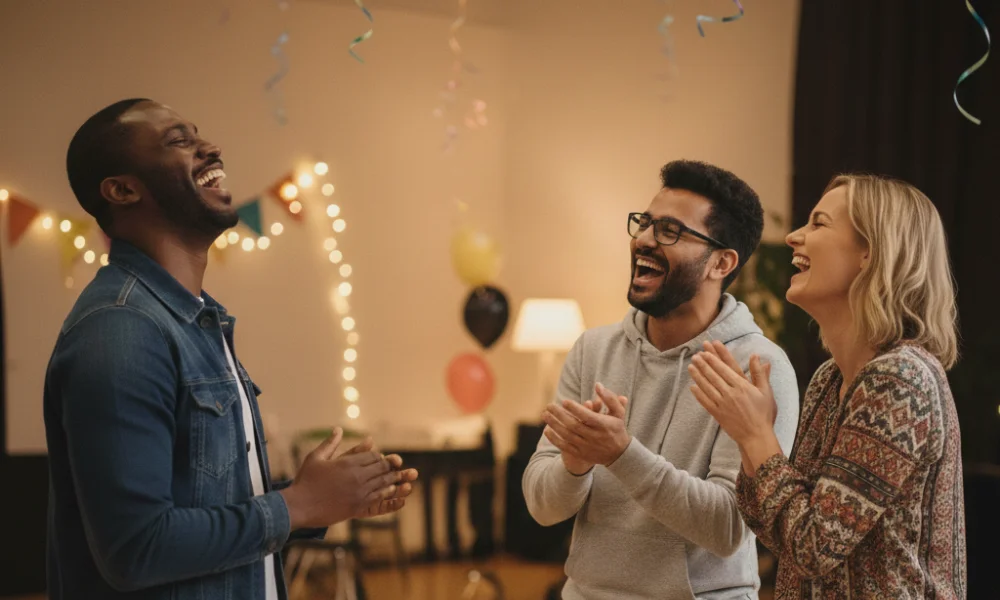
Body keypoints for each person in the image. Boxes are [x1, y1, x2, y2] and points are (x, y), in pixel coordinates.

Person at [44, 98, 418, 600]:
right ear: (122, 190)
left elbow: (206, 506)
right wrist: (298, 505)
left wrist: (324, 501)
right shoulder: (121, 329)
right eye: (179, 140)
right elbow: (136, 550)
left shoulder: (197, 320)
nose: (210, 147)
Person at [522, 160, 801, 599]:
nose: (644, 239)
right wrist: (576, 463)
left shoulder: (759, 368)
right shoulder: (593, 350)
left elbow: (729, 528)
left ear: (721, 262)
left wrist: (621, 454)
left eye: (670, 230)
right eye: (646, 223)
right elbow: (541, 506)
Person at [689, 174, 966, 598]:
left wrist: (756, 434)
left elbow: (813, 545)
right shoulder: (829, 378)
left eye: (818, 223)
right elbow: (773, 526)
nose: (794, 237)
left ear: (870, 253)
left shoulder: (899, 379)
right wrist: (749, 439)